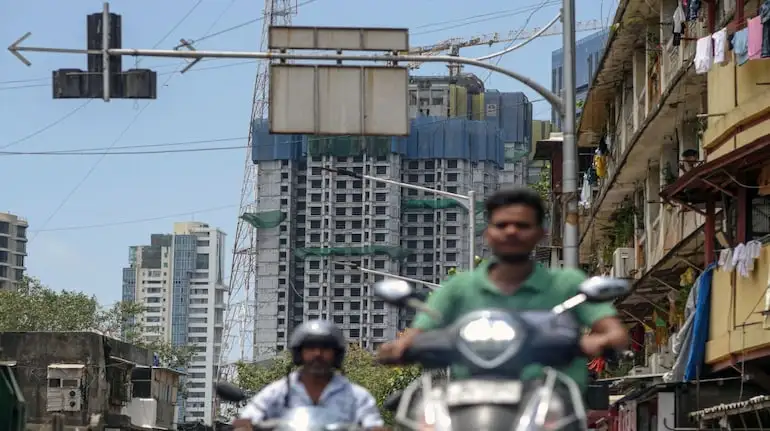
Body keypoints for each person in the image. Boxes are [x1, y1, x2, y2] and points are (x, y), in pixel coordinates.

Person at [377, 187, 629, 392]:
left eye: (521, 225)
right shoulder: (459, 287)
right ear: (487, 233)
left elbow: (614, 333)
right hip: (470, 401)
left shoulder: (566, 284)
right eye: (502, 224)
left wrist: (593, 342)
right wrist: (398, 349)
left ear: (540, 233)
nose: (511, 231)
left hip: (552, 404)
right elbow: (419, 331)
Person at [237, 320, 387, 431]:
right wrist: (244, 426)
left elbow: (373, 423)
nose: (318, 354)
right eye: (310, 348)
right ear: (299, 353)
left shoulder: (357, 396)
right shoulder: (278, 392)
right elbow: (250, 416)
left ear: (336, 354)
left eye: (325, 348)